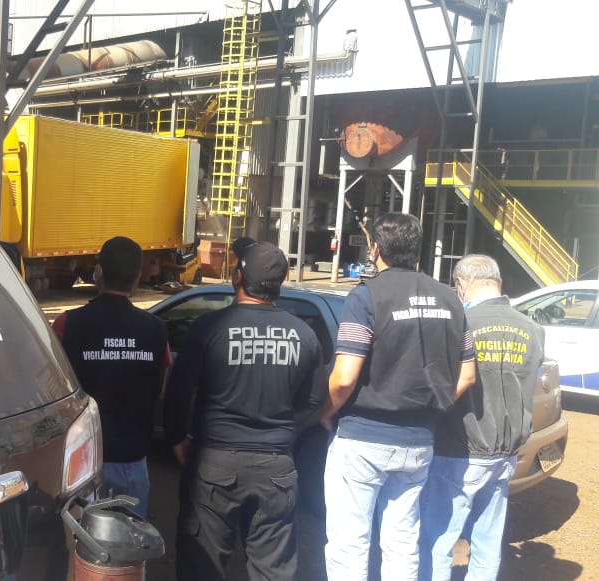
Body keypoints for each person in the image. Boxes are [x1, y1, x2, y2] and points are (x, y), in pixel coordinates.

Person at [319, 213, 477, 581]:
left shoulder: (366, 297)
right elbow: (467, 374)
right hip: (419, 443)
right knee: (403, 541)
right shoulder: (451, 300)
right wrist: (434, 404)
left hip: (362, 439)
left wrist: (324, 411)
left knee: (349, 543)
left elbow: (344, 378)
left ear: (375, 250)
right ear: (417, 249)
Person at [164, 240, 324, 580]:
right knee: (273, 570)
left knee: (202, 565)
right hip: (276, 468)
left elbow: (179, 389)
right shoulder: (304, 334)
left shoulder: (209, 328)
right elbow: (313, 400)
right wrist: (284, 430)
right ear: (280, 283)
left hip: (215, 464)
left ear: (238, 277)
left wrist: (177, 436)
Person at [419, 255, 544, 581]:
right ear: (497, 282)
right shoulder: (532, 329)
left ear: (462, 285)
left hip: (458, 449)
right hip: (505, 453)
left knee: (438, 540)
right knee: (487, 542)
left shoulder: (460, 324)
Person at [53, 236, 171, 517]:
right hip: (133, 460)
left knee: (83, 540)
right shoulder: (156, 329)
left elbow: (53, 388)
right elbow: (160, 384)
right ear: (138, 277)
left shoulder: (67, 324)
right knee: (130, 539)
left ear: (99, 272)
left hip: (83, 461)